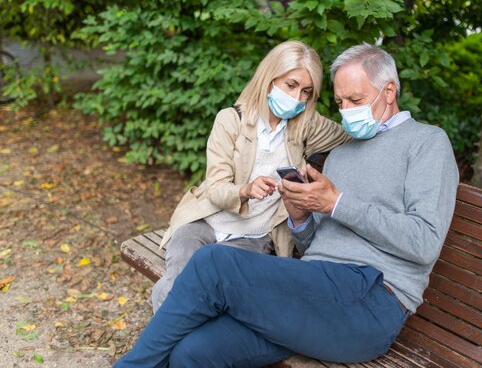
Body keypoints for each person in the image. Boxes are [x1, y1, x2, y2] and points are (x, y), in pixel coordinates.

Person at [114, 43, 459, 367]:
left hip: (369, 301)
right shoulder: (342, 152)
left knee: (213, 264)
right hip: (311, 291)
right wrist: (300, 218)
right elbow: (319, 246)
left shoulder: (427, 143)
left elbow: (424, 243)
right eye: (340, 103)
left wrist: (337, 203)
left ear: (389, 91)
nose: (347, 112)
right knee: (194, 353)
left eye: (356, 99)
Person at [151, 40, 350, 312]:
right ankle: (177, 344)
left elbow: (350, 134)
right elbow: (216, 187)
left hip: (254, 235)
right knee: (180, 273)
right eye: (290, 85)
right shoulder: (230, 120)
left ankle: (170, 344)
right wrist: (244, 190)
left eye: (306, 91)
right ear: (269, 80)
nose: (297, 98)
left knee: (209, 281)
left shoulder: (306, 126)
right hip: (207, 221)